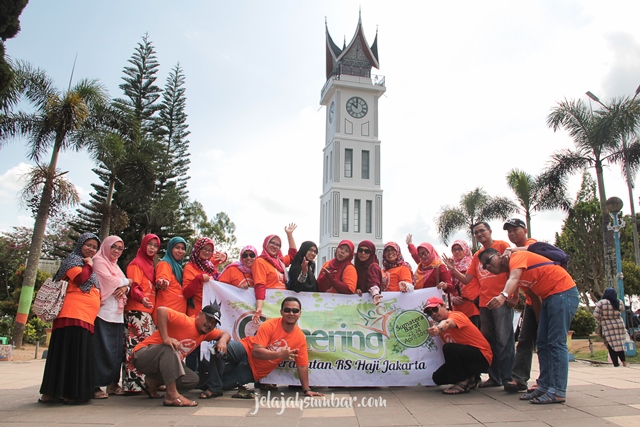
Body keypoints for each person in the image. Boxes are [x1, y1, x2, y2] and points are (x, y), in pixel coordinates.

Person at [481, 247, 579, 404]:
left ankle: (558, 390)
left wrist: (503, 296)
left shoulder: (516, 258)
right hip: (549, 298)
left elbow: (513, 279)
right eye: (483, 266)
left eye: (488, 260)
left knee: (556, 343)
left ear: (500, 256)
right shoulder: (515, 273)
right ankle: (545, 386)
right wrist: (541, 323)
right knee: (543, 342)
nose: (487, 266)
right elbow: (533, 297)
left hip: (563, 292)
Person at [200, 297, 324, 399]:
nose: (291, 313)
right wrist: (279, 354)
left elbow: (302, 365)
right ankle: (214, 388)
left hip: (253, 371)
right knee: (218, 350)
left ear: (300, 314)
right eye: (287, 310)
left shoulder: (300, 337)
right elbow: (256, 352)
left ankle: (206, 381)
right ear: (281, 312)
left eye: (295, 311)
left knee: (205, 384)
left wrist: (307, 390)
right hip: (244, 349)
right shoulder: (270, 324)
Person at [442, 222, 514, 389]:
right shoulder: (477, 255)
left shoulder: (502, 246)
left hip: (501, 300)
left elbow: (513, 271)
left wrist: (513, 295)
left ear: (490, 231)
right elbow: (467, 279)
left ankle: (508, 377)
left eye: (482, 231)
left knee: (505, 340)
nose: (479, 234)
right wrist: (453, 270)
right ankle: (494, 377)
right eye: (476, 232)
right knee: (489, 341)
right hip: (484, 304)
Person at [39, 233, 101, 404]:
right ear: (80, 244)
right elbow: (81, 279)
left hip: (84, 316)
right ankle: (69, 392)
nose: (91, 249)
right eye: (88, 245)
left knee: (73, 353)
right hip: (73, 314)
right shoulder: (73, 260)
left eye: (94, 247)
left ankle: (61, 392)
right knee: (70, 353)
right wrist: (89, 265)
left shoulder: (82, 262)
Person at [131, 304, 230, 407]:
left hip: (160, 364)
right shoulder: (186, 321)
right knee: (170, 348)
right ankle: (172, 396)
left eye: (213, 323)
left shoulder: (205, 333)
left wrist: (222, 341)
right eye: (208, 319)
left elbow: (225, 334)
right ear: (200, 314)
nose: (209, 324)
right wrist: (166, 338)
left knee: (192, 379)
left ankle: (153, 382)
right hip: (142, 355)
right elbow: (162, 310)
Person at [425, 297, 492, 394]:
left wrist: (439, 328)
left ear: (444, 306)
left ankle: (462, 383)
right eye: (429, 313)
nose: (433, 314)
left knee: (449, 348)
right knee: (437, 378)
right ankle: (472, 378)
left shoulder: (456, 315)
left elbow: (447, 323)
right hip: (468, 358)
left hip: (482, 357)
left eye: (435, 309)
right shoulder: (442, 331)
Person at [92, 235, 132, 399]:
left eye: (120, 249)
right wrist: (127, 281)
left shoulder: (114, 265)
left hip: (116, 314)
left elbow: (122, 284)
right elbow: (109, 281)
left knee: (115, 351)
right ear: (106, 246)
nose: (116, 251)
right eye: (113, 247)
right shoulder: (98, 260)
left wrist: (125, 288)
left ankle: (112, 383)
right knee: (100, 350)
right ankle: (95, 385)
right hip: (102, 312)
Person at [502, 218, 539, 393]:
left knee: (546, 342)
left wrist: (511, 249)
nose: (511, 234)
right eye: (509, 231)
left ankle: (544, 380)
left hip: (546, 298)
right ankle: (519, 379)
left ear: (524, 230)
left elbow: (533, 249)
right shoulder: (514, 255)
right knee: (524, 340)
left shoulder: (530, 243)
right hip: (531, 301)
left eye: (515, 229)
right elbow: (514, 279)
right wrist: (514, 296)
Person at [123, 233, 160, 394]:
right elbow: (134, 287)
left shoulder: (150, 266)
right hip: (136, 311)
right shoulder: (136, 264)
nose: (152, 248)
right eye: (149, 244)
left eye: (155, 246)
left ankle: (142, 383)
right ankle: (132, 385)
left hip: (147, 312)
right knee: (134, 349)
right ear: (143, 245)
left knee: (144, 349)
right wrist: (143, 298)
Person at [252, 224, 298, 322]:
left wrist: (289, 235)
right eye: (272, 243)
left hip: (283, 304)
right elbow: (260, 285)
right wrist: (259, 307)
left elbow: (293, 255)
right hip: (269, 304)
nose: (275, 246)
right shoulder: (260, 262)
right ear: (265, 244)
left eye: (278, 245)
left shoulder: (280, 262)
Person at [437, 240, 479, 327]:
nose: (457, 252)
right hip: (458, 307)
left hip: (474, 306)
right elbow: (450, 288)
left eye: (459, 249)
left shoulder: (473, 263)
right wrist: (453, 299)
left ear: (465, 249)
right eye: (454, 250)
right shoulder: (451, 266)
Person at [183, 237, 227, 318]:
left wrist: (224, 256)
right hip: (196, 311)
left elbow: (219, 258)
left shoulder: (209, 265)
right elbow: (186, 293)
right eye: (204, 249)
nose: (207, 252)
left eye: (210, 250)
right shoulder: (189, 267)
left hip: (212, 309)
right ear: (198, 249)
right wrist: (199, 279)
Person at [594, 288, 629, 368]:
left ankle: (616, 364)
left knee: (611, 345)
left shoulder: (601, 303)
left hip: (608, 326)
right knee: (619, 344)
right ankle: (624, 362)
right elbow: (622, 310)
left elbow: (596, 315)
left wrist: (601, 320)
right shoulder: (619, 302)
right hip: (619, 325)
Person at [155, 236, 188, 315]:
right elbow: (163, 277)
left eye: (183, 249)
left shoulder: (178, 267)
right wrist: (162, 281)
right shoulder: (165, 264)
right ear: (170, 249)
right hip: (166, 314)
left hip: (177, 314)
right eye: (177, 247)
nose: (180, 251)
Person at [354, 240, 382, 304]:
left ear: (371, 253)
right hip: (359, 304)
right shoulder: (356, 267)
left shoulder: (373, 266)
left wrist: (375, 294)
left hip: (370, 304)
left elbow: (373, 282)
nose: (363, 253)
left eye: (367, 251)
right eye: (360, 250)